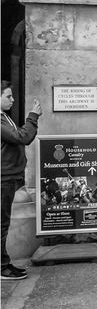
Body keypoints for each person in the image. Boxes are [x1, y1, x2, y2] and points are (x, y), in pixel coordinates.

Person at [1, 80, 40, 281]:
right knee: (1, 223)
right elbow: (21, 137)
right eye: (8, 96)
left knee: (3, 222)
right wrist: (32, 117)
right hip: (3, 177)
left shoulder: (4, 117)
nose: (13, 99)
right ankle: (2, 266)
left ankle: (4, 263)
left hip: (9, 175)